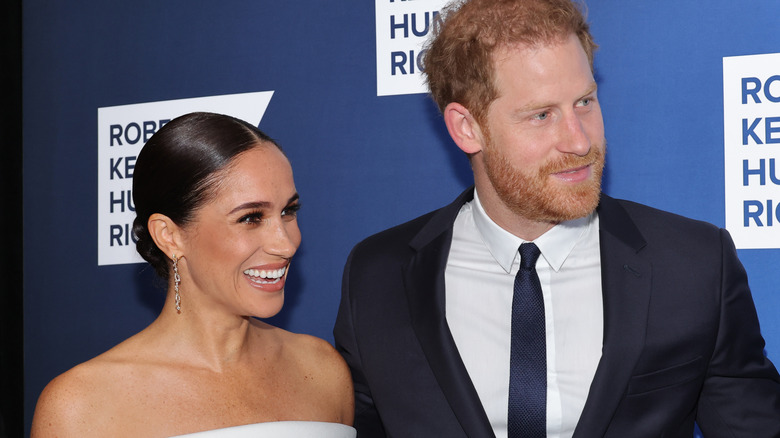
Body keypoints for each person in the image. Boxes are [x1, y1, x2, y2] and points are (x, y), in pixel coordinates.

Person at [333, 0, 780, 437]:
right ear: (467, 128)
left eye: (584, 103)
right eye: (542, 114)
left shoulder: (693, 264)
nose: (579, 141)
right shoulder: (378, 278)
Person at [32, 112, 355, 437]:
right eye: (250, 218)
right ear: (169, 235)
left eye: (288, 211)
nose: (285, 244)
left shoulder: (322, 372)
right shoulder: (82, 406)